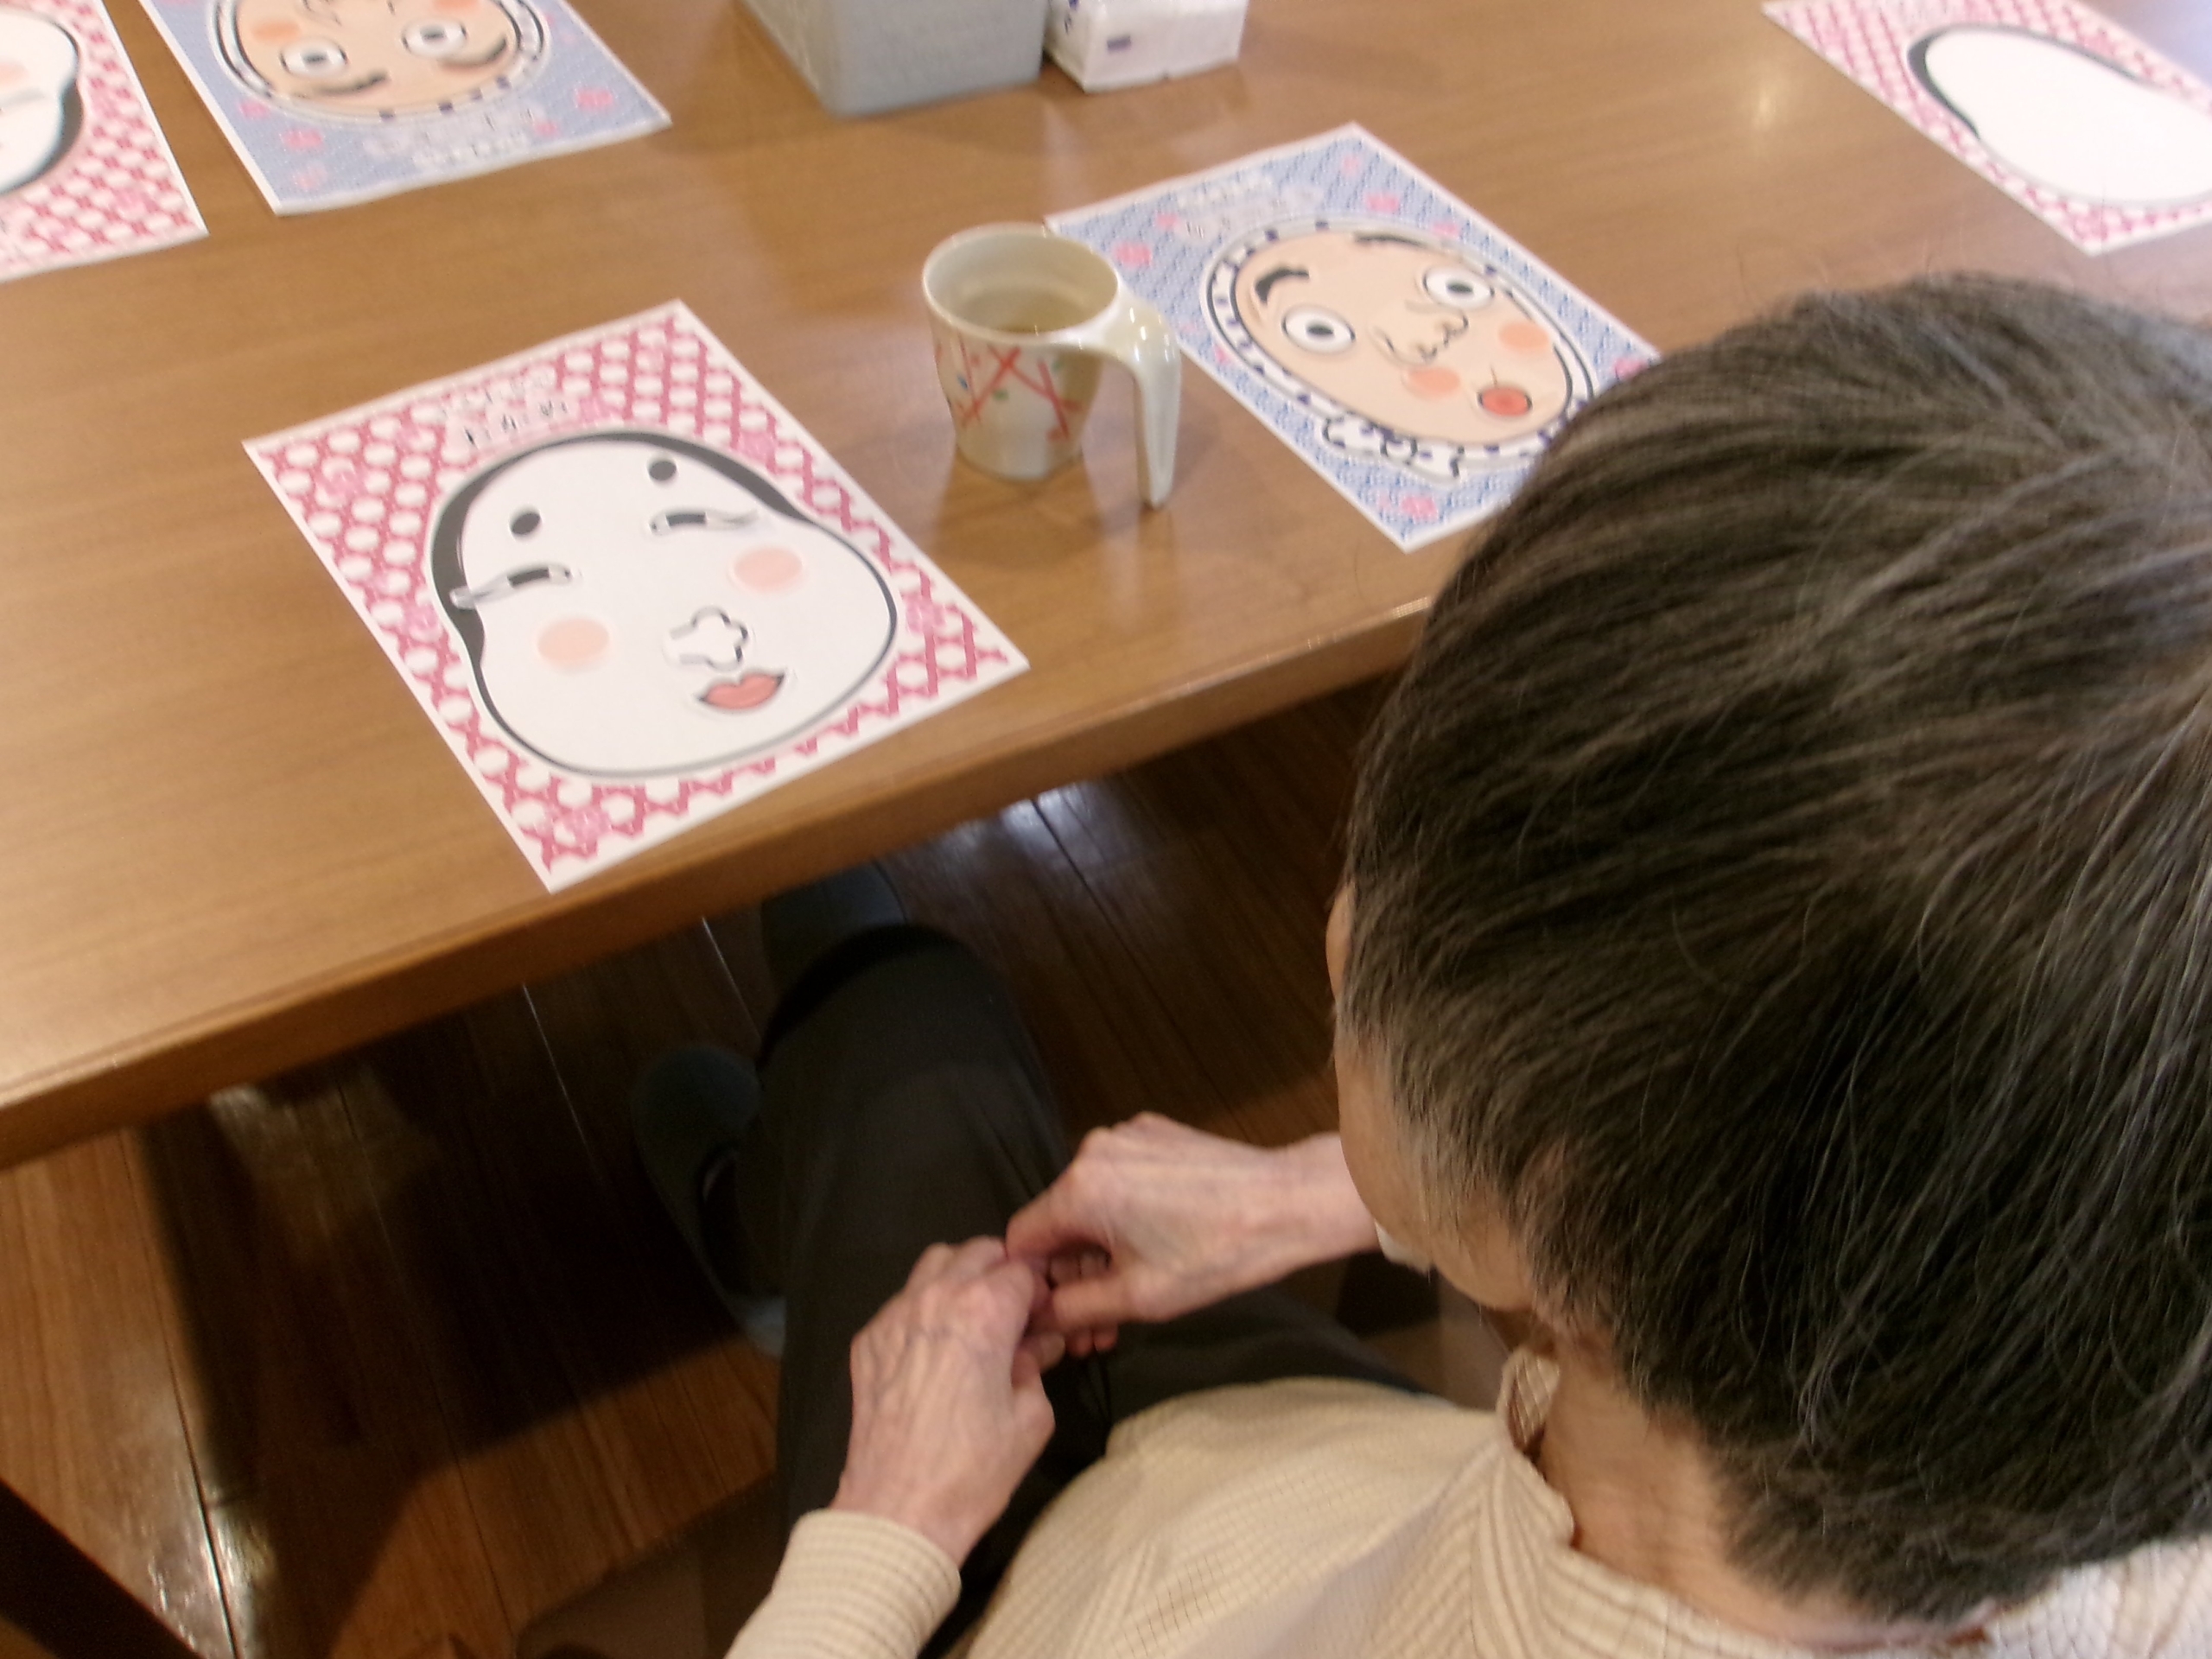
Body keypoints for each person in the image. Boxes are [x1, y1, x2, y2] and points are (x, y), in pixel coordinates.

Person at [636, 276, 2212, 1657]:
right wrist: (1343, 1196)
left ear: (1551, 1218)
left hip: (1083, 1580)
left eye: (1373, 930)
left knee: (902, 1025)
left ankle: (763, 1182)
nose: (1341, 933)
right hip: (1341, 1476)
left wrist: (882, 1537)